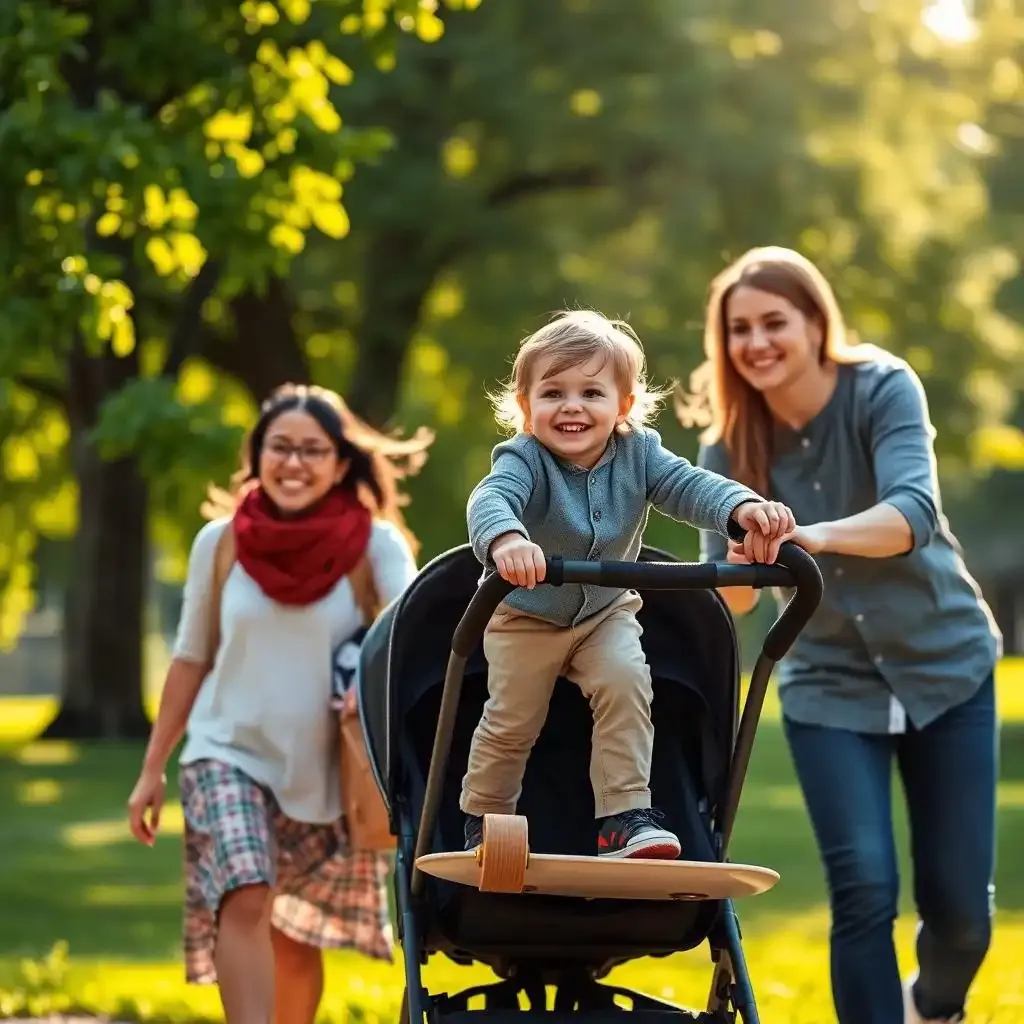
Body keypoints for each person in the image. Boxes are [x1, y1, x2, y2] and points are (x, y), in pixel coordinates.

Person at [680, 246, 1001, 1024]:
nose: (756, 343)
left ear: (816, 320)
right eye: (738, 329)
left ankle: (932, 1004)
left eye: (774, 322)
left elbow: (913, 516)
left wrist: (812, 538)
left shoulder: (881, 387)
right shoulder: (727, 447)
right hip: (828, 686)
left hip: (947, 666)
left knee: (959, 912)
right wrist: (737, 570)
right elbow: (731, 609)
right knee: (862, 892)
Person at [126, 383, 433, 1024]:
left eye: (312, 450)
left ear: (342, 462)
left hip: (324, 775)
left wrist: (369, 678)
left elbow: (410, 632)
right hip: (225, 751)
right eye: (280, 447)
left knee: (293, 940)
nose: (293, 463)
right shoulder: (221, 542)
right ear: (257, 455)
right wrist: (153, 767)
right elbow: (190, 656)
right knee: (245, 894)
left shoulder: (375, 545)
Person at [462, 309, 796, 860]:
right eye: (553, 393)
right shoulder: (523, 459)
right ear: (525, 408)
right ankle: (488, 816)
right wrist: (506, 541)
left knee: (626, 686)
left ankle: (623, 818)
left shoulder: (640, 454)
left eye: (592, 392)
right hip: (525, 612)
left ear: (623, 406)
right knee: (512, 719)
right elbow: (491, 499)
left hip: (603, 613)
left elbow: (689, 486)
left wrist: (742, 509)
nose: (572, 406)